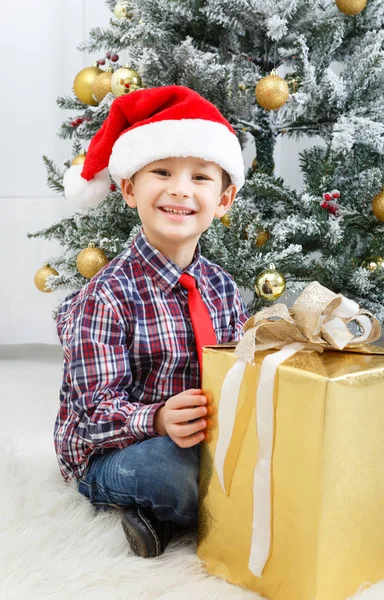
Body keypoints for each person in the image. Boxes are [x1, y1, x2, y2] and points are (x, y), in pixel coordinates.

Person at [54, 84, 250, 558]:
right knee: (175, 472)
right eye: (161, 172)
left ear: (223, 201)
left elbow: (239, 369)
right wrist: (158, 419)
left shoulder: (222, 287)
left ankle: (162, 523)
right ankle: (181, 505)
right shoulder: (106, 296)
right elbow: (94, 413)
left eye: (201, 177)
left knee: (256, 458)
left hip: (202, 434)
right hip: (114, 449)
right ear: (128, 189)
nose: (180, 188)